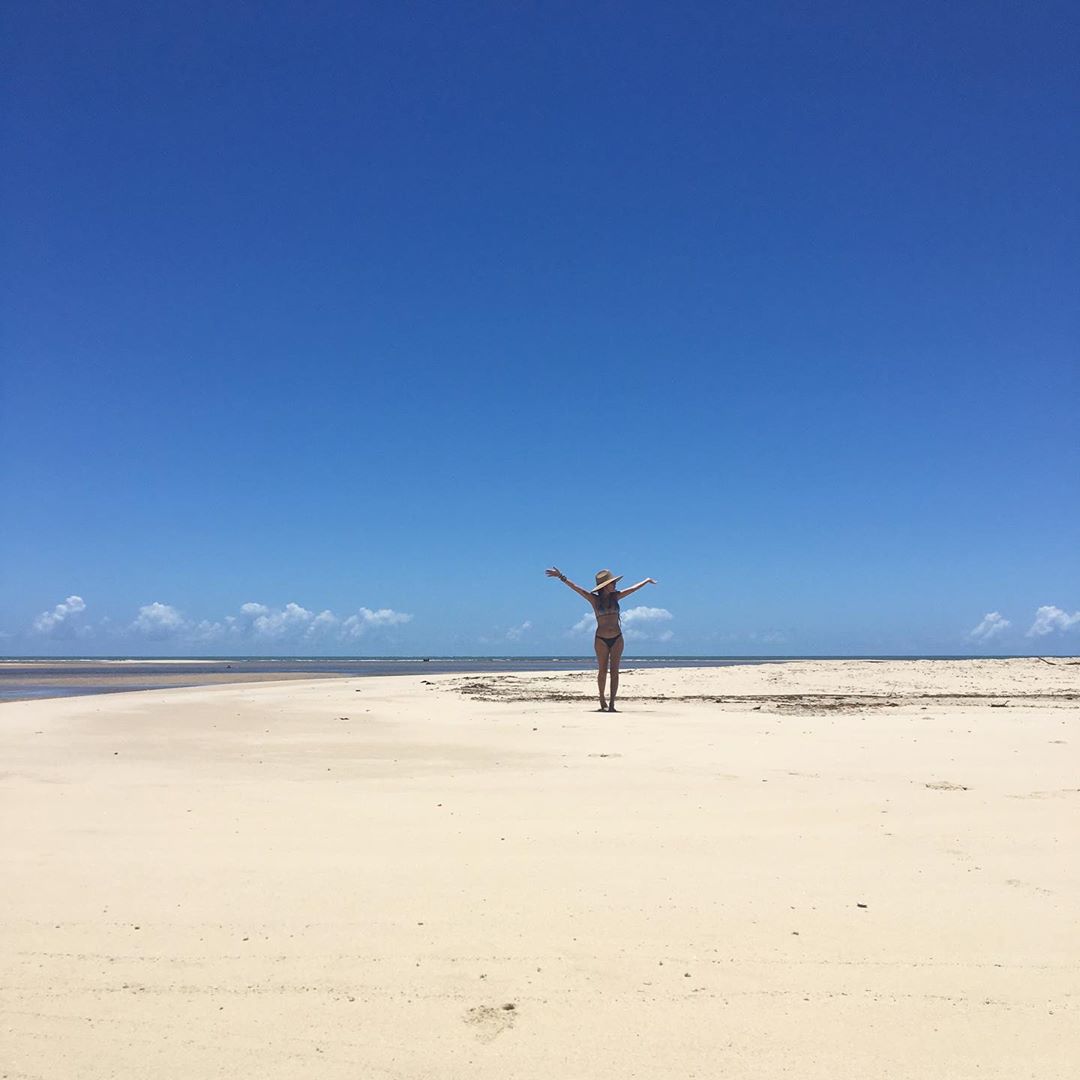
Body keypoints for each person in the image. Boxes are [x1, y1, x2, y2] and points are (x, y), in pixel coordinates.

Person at [546, 567, 658, 711]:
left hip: (617, 638)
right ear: (605, 586)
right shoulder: (594, 600)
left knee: (615, 671)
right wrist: (561, 576)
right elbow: (577, 588)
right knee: (603, 670)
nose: (615, 585)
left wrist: (646, 581)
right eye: (612, 583)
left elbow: (632, 589)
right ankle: (601, 699)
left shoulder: (616, 596)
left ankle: (612, 704)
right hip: (601, 639)